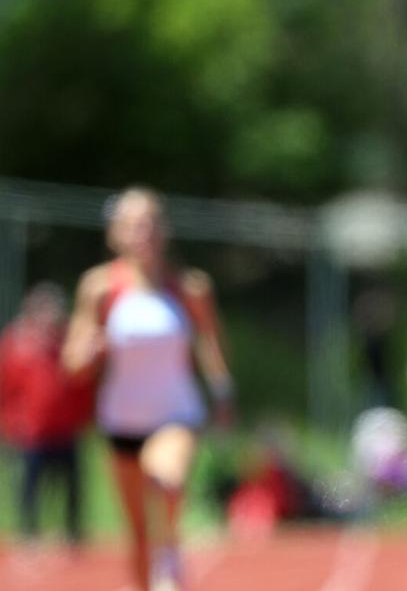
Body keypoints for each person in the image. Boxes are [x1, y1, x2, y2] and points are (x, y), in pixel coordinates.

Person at [61, 187, 235, 591]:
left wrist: (223, 391)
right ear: (116, 234)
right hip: (121, 419)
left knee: (165, 476)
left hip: (177, 413)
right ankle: (154, 571)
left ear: (165, 230)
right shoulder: (100, 287)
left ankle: (169, 545)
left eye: (153, 223)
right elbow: (72, 362)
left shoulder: (190, 288)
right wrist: (86, 352)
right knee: (138, 536)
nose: (145, 232)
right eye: (135, 224)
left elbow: (209, 343)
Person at [0, 282, 92, 546]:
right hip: (31, 431)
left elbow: (82, 385)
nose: (50, 315)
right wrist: (8, 423)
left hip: (65, 429)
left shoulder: (70, 344)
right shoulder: (16, 343)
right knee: (28, 486)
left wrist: (82, 417)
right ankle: (28, 532)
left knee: (73, 485)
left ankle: (73, 533)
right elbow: (6, 389)